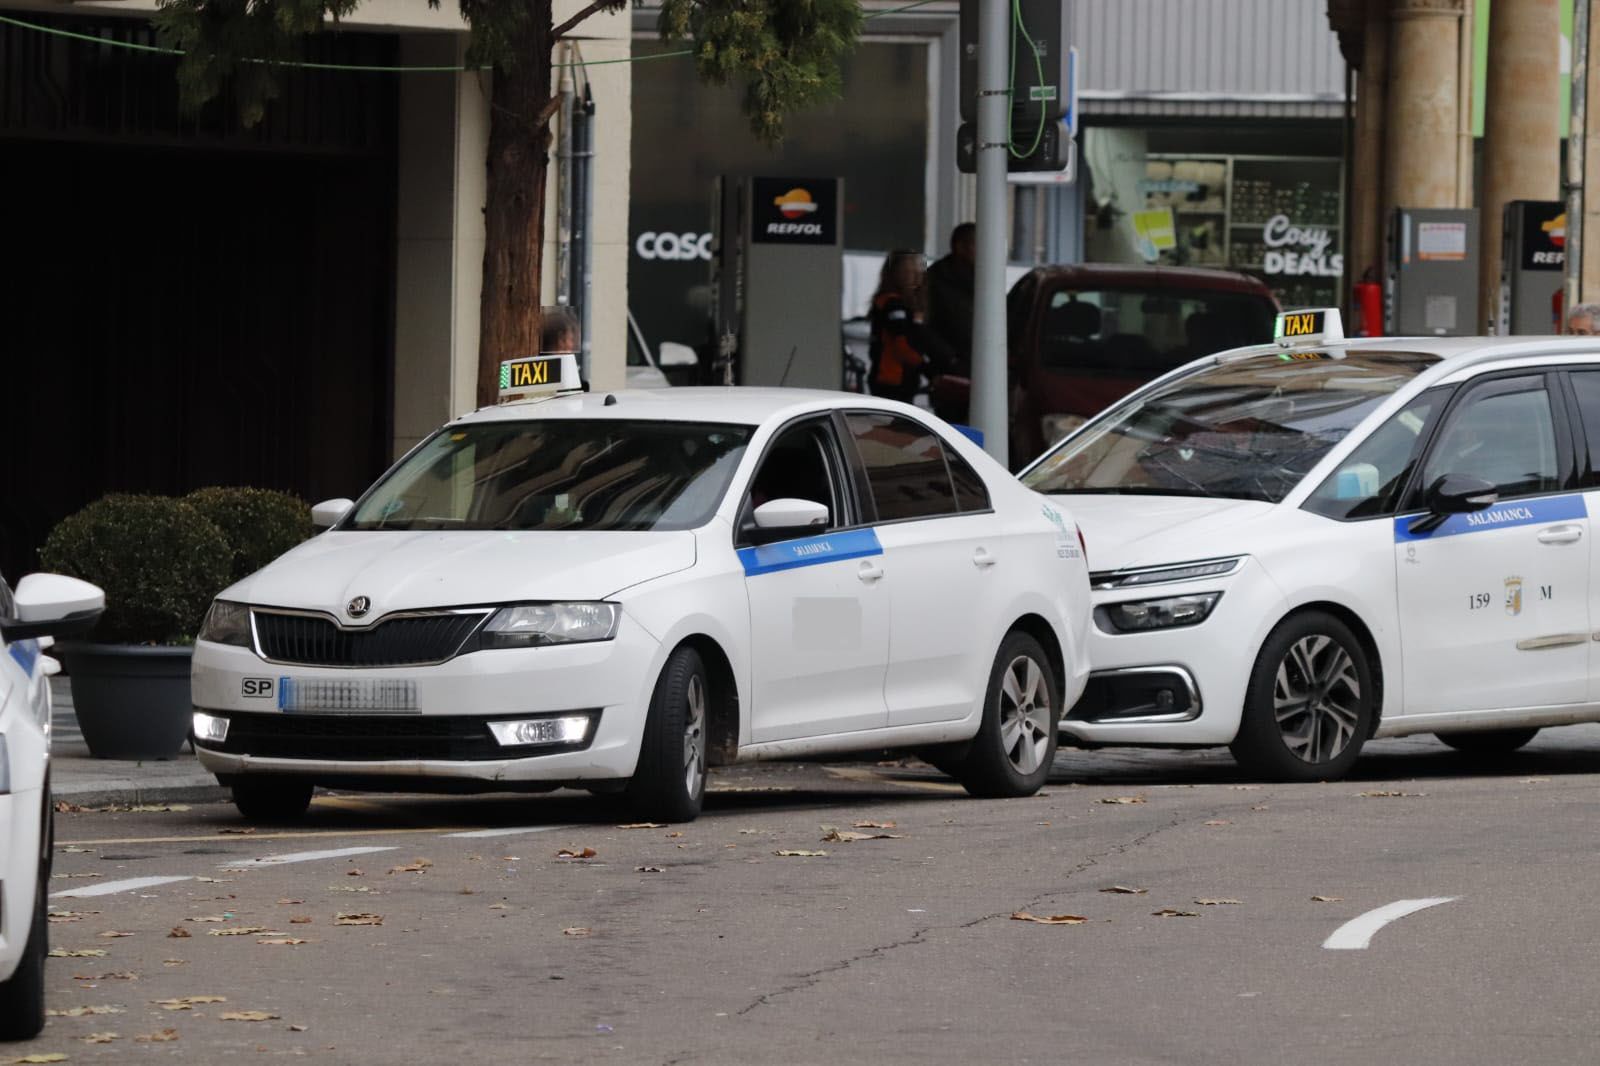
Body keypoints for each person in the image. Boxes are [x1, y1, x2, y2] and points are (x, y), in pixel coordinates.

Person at [868, 250, 955, 403]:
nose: (915, 276)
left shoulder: (906, 305)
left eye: (917, 271)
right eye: (908, 271)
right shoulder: (892, 304)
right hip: (891, 380)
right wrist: (928, 370)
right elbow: (901, 347)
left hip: (901, 380)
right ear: (895, 274)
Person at [925, 223, 976, 371]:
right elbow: (923, 325)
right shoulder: (934, 279)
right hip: (949, 366)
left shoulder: (985, 279)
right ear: (960, 247)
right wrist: (950, 358)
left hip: (980, 362)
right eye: (977, 244)